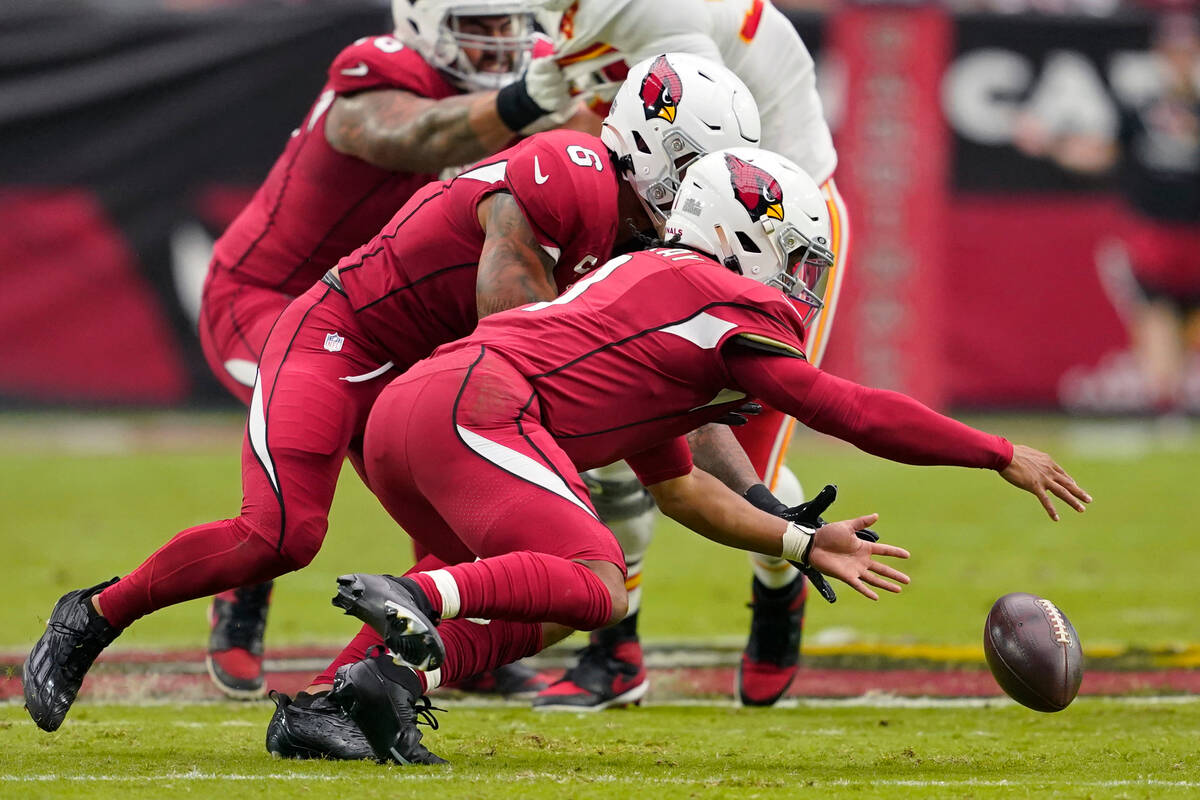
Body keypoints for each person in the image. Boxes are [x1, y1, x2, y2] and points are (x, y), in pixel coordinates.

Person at [21, 54, 764, 737]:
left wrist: (767, 505)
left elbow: (658, 408)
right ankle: (90, 617)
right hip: (346, 339)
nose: (707, 189)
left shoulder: (643, 252)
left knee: (524, 575)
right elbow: (519, 339)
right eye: (699, 166)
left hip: (428, 378)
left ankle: (331, 701)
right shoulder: (566, 168)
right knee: (281, 533)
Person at [318, 148, 1089, 764]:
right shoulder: (719, 299)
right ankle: (421, 598)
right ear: (736, 235)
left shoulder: (649, 298)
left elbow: (683, 491)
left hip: (418, 412)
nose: (801, 281)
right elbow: (847, 410)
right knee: (597, 579)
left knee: (553, 604)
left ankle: (336, 701)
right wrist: (997, 452)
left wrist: (802, 542)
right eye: (793, 256)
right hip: (476, 407)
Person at [198, 0, 580, 699]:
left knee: (443, 455)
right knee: (318, 433)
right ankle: (242, 591)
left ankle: (451, 627)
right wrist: (531, 101)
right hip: (266, 299)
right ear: (424, 22)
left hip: (377, 312)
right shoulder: (376, 71)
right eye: (482, 26)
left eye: (508, 26)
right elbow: (418, 137)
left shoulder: (508, 97)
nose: (500, 43)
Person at [528, 0, 851, 709]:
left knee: (745, 479)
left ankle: (780, 586)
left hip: (769, 232)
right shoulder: (547, 16)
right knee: (611, 432)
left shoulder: (658, 11)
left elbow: (695, 149)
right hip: (658, 210)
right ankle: (616, 651)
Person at [1013, 11, 1200, 418]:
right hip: (1155, 230)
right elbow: (1101, 153)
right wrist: (1050, 144)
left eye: (1188, 51)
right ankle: (1166, 408)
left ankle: (1178, 405)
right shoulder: (1141, 109)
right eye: (1175, 52)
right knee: (1157, 314)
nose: (1182, 60)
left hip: (1195, 232)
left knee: (1186, 324)